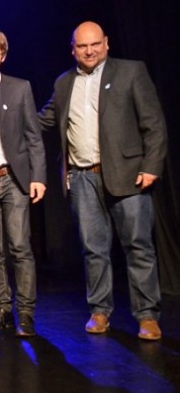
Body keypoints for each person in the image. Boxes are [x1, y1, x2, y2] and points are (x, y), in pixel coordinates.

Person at [38, 21, 167, 340]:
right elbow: (41, 121)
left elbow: (154, 123)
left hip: (129, 176)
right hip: (82, 179)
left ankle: (147, 316)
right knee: (93, 249)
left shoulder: (131, 71)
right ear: (73, 49)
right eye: (82, 46)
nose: (89, 50)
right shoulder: (63, 82)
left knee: (138, 247)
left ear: (106, 43)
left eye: (95, 44)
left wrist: (152, 166)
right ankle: (99, 311)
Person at [0, 29, 47, 338]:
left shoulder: (19, 88)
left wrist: (38, 176)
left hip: (14, 178)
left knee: (20, 247)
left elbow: (33, 136)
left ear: (3, 56)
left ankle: (25, 314)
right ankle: (3, 310)